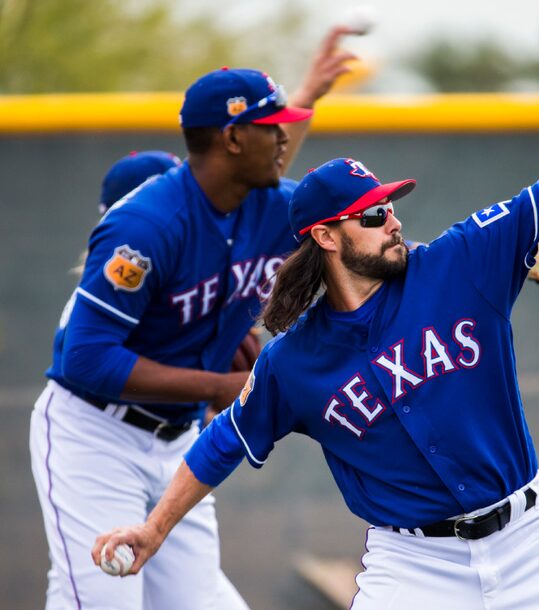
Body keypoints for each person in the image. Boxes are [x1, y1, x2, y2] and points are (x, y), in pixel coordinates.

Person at [93, 101, 539, 609]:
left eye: (391, 206)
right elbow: (222, 442)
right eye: (372, 214)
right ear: (326, 237)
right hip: (415, 569)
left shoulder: (460, 263)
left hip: (533, 544)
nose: (392, 220)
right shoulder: (293, 362)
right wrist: (153, 529)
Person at [31, 26, 358, 610]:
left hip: (177, 442)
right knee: (105, 601)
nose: (283, 135)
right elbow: (83, 360)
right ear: (232, 138)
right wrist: (227, 386)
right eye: (269, 126)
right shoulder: (147, 226)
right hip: (95, 437)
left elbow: (359, 235)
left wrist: (497, 248)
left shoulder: (269, 206)